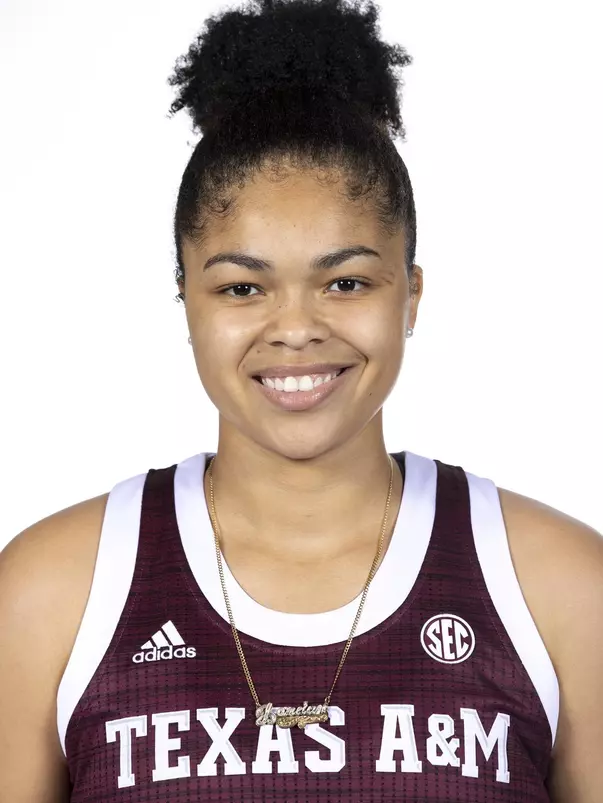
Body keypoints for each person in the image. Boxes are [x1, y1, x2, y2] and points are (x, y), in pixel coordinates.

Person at [1, 0, 601, 800]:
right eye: (242, 286)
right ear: (187, 301)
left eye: (345, 281)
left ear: (409, 295)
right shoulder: (53, 589)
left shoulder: (557, 586)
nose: (294, 329)